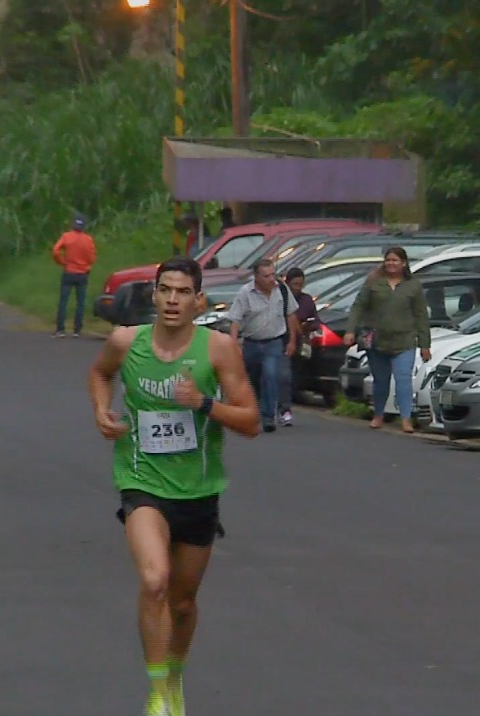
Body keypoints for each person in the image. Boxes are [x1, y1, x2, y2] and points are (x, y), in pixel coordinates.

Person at [87, 256, 261, 716]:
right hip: (141, 481)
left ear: (198, 300)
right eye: (165, 289)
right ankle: (158, 692)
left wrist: (203, 403)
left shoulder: (219, 349)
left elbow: (250, 421)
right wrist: (102, 410)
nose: (171, 299)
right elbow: (100, 373)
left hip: (199, 489)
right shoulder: (126, 341)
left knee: (183, 602)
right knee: (154, 580)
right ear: (154, 294)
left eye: (182, 292)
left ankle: (175, 675)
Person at [344, 246, 431, 433]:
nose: (391, 263)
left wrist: (425, 345)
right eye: (388, 260)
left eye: (395, 260)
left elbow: (421, 316)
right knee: (380, 380)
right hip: (377, 341)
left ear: (404, 263)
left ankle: (406, 418)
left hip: (404, 341)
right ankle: (378, 415)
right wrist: (350, 330)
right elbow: (358, 306)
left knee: (403, 379)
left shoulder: (413, 285)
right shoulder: (374, 282)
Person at [226, 259, 301, 432]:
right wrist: (233, 344)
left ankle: (268, 417)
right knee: (253, 380)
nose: (271, 279)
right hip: (252, 343)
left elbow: (291, 315)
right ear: (256, 277)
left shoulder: (281, 290)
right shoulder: (245, 293)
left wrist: (292, 341)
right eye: (266, 276)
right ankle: (254, 409)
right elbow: (235, 320)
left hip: (273, 342)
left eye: (272, 274)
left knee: (271, 375)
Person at [277, 267, 320, 425]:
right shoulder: (282, 298)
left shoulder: (306, 300)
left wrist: (310, 325)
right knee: (283, 374)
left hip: (301, 340)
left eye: (301, 284)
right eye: (295, 284)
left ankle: (288, 399)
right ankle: (282, 404)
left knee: (294, 373)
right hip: (284, 338)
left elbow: (316, 319)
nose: (298, 288)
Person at [51, 213, 97, 337]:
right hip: (82, 273)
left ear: (73, 224)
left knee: (63, 300)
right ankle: (77, 330)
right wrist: (85, 264)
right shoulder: (88, 240)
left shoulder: (66, 237)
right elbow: (92, 258)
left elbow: (55, 251)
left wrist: (61, 262)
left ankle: (60, 329)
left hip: (69, 271)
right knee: (80, 301)